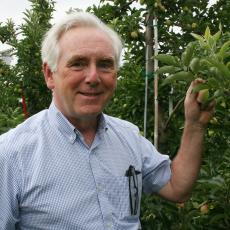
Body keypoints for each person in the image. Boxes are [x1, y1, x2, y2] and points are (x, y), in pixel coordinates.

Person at [0, 12, 215, 230]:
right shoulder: (11, 155)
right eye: (78, 63)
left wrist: (195, 125)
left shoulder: (128, 136)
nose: (93, 77)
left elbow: (176, 187)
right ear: (49, 74)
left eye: (104, 64)